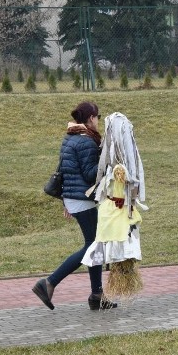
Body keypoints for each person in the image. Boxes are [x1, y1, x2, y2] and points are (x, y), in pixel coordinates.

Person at [32, 101, 117, 311]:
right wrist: (109, 165)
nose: (98, 120)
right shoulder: (87, 141)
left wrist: (66, 200)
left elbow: (66, 171)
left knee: (95, 243)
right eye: (97, 117)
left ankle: (97, 295)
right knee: (94, 245)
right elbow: (90, 175)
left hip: (74, 197)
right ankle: (49, 283)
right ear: (90, 119)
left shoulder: (70, 136)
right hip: (82, 199)